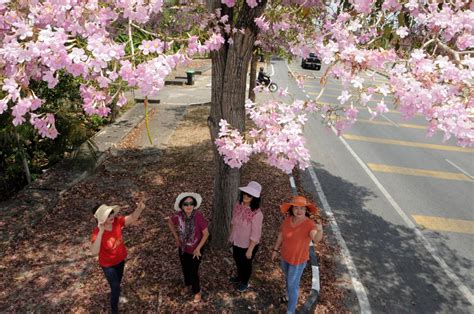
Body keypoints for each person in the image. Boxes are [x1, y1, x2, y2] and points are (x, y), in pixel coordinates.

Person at [90, 196, 146, 314]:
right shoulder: (96, 233)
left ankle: (116, 295)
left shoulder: (116, 222)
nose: (111, 216)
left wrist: (139, 209)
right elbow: (94, 251)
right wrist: (100, 231)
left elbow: (132, 217)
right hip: (108, 265)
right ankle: (114, 310)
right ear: (101, 219)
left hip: (120, 260)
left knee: (118, 283)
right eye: (108, 215)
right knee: (115, 287)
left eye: (111, 213)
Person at [271, 195, 323, 314]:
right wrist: (275, 250)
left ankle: (290, 310)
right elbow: (281, 234)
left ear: (306, 210)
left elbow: (315, 238)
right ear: (291, 209)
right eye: (296, 208)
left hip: (298, 261)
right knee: (288, 279)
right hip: (285, 257)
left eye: (302, 208)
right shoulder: (288, 220)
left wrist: (320, 230)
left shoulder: (309, 224)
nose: (299, 211)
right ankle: (288, 296)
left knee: (292, 285)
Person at [167, 192, 209, 303]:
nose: (188, 206)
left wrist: (198, 248)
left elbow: (206, 234)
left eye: (191, 203)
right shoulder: (178, 215)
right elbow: (170, 222)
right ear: (181, 206)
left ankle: (197, 291)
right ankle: (187, 285)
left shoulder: (198, 216)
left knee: (193, 271)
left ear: (194, 205)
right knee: (185, 268)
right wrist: (176, 238)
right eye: (185, 204)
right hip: (183, 248)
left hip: (196, 250)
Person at [228, 181, 263, 292]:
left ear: (254, 198)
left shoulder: (257, 214)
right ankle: (239, 277)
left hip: (248, 245)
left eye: (249, 195)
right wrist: (231, 237)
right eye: (244, 193)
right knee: (237, 260)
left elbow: (256, 233)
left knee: (246, 264)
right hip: (237, 240)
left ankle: (244, 282)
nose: (245, 196)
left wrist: (250, 250)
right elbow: (233, 222)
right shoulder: (238, 206)